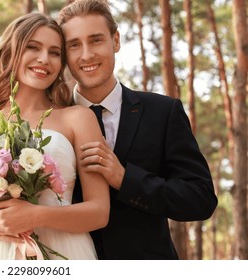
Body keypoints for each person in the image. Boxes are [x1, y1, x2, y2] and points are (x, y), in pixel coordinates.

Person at [0, 12, 110, 260]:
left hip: (62, 253)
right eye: (33, 47)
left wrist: (34, 215)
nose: (44, 59)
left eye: (54, 52)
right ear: (11, 52)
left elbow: (99, 212)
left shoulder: (78, 118)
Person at [55, 0, 218, 259]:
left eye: (96, 40)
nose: (86, 55)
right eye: (74, 45)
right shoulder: (50, 122)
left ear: (116, 41)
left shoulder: (163, 112)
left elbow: (200, 200)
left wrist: (124, 179)